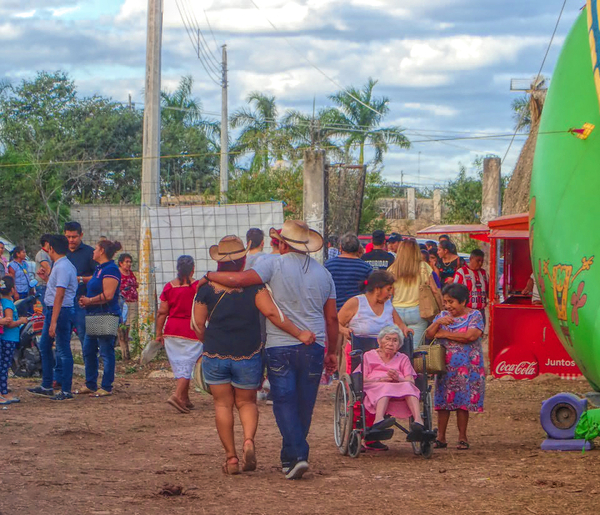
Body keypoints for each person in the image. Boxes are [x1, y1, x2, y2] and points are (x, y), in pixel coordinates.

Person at [204, 220, 338, 480]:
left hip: (280, 344)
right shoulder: (324, 273)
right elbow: (331, 317)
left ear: (283, 243)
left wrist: (209, 276)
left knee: (284, 400)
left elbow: (240, 279)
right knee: (305, 403)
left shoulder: (272, 264)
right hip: (315, 344)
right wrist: (333, 351)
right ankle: (292, 457)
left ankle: (297, 455)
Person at [425, 283, 485, 450]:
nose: (448, 306)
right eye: (445, 302)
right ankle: (441, 437)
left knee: (462, 402)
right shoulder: (442, 316)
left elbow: (470, 336)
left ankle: (462, 437)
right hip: (446, 368)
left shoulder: (475, 316)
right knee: (442, 402)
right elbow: (429, 334)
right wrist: (438, 323)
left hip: (468, 366)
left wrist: (444, 333)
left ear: (463, 301)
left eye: (451, 302)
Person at [28, 235, 78, 401]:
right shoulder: (60, 266)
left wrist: (54, 321)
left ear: (52, 249)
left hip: (61, 311)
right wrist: (47, 279)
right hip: (54, 310)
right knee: (45, 345)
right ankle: (47, 384)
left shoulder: (62, 267)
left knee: (63, 349)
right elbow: (57, 288)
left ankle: (66, 389)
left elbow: (60, 294)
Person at [155, 255, 200, 414]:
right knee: (188, 365)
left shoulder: (169, 287)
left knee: (181, 364)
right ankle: (177, 395)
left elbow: (162, 312)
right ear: (193, 268)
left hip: (172, 330)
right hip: (192, 330)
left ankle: (185, 399)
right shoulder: (197, 286)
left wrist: (159, 333)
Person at [78, 239, 122, 397]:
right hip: (94, 313)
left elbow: (109, 295)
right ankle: (90, 383)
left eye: (96, 248)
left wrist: (89, 300)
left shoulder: (111, 270)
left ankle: (106, 385)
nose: (93, 251)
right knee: (88, 349)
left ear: (102, 251)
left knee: (105, 350)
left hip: (105, 313)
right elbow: (95, 282)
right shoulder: (100, 269)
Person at [362, 326, 424, 437]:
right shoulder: (368, 356)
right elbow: (362, 379)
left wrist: (399, 379)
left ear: (399, 346)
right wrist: (379, 379)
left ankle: (418, 421)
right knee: (386, 387)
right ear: (379, 341)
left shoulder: (403, 358)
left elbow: (410, 380)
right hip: (376, 387)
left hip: (399, 388)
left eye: (395, 340)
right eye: (387, 339)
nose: (390, 343)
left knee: (409, 386)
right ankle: (378, 420)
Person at [388, 240, 443, 346]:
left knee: (398, 347)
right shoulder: (423, 267)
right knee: (415, 349)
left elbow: (390, 293)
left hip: (396, 312)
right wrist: (441, 309)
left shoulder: (393, 269)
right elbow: (435, 290)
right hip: (418, 311)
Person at [64, 221, 96, 357]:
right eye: (68, 237)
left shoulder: (90, 253)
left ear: (81, 235)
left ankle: (90, 366)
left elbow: (97, 276)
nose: (71, 240)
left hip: (81, 303)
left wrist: (80, 279)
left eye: (74, 237)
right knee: (63, 339)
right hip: (64, 303)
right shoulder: (61, 252)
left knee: (85, 337)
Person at [325, 233, 373, 311]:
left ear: (340, 248)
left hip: (333, 310)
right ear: (358, 249)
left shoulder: (329, 265)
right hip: (357, 311)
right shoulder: (366, 267)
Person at [0, 276, 28, 405]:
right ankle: (4, 392)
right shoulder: (8, 304)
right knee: (4, 367)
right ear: (12, 290)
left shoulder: (4, 302)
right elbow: (9, 323)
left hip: (6, 338)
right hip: (9, 339)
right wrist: (21, 321)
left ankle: (4, 390)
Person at [453, 249, 489, 324]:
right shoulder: (461, 272)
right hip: (466, 311)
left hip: (481, 311)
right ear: (471, 259)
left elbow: (488, 291)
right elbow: (454, 292)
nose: (480, 263)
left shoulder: (484, 274)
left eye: (482, 261)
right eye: (478, 260)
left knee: (479, 334)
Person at [118, 253, 138, 355]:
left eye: (130, 262)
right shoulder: (118, 273)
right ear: (121, 263)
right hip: (123, 303)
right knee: (122, 327)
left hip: (133, 302)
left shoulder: (131, 273)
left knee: (131, 325)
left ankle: (130, 350)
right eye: (127, 262)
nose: (129, 264)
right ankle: (124, 351)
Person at [35, 235, 53, 309]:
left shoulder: (49, 253)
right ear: (46, 243)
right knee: (44, 309)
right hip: (42, 285)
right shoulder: (42, 254)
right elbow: (47, 267)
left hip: (47, 284)